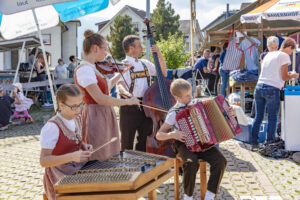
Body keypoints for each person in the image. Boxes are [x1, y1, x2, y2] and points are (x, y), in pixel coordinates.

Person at [156, 79, 230, 200]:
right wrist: (173, 134)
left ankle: (210, 195)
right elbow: (159, 135)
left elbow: (217, 114)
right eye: (187, 96)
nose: (191, 98)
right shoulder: (173, 113)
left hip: (203, 142)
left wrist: (229, 113)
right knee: (191, 163)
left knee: (221, 161)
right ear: (177, 97)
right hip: (183, 144)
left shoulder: (197, 105)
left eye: (191, 94)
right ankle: (188, 196)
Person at [75, 30, 139, 161]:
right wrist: (128, 102)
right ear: (95, 48)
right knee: (100, 152)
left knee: (108, 151)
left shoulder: (92, 68)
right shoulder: (85, 70)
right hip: (95, 114)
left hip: (103, 112)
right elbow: (101, 98)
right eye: (105, 49)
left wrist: (121, 73)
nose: (106, 53)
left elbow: (106, 88)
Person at [40, 84, 92, 200]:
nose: (78, 110)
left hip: (75, 167)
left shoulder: (76, 117)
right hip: (59, 172)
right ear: (61, 105)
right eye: (74, 106)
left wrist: (83, 145)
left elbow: (75, 137)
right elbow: (44, 161)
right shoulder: (52, 127)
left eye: (80, 104)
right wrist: (72, 156)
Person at [117, 35, 167, 152]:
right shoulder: (122, 65)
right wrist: (130, 97)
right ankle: (127, 168)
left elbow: (163, 73)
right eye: (139, 46)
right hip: (129, 105)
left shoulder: (145, 63)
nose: (142, 48)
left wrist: (159, 54)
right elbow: (120, 86)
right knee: (127, 141)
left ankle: (143, 167)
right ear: (131, 48)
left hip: (146, 106)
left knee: (145, 139)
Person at [251, 37, 299, 150]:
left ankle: (253, 143)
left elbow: (272, 72)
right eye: (292, 50)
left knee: (258, 116)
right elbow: (284, 77)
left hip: (259, 87)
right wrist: (293, 75)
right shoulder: (284, 56)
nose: (291, 53)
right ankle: (270, 143)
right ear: (288, 47)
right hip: (272, 89)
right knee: (273, 117)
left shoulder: (269, 54)